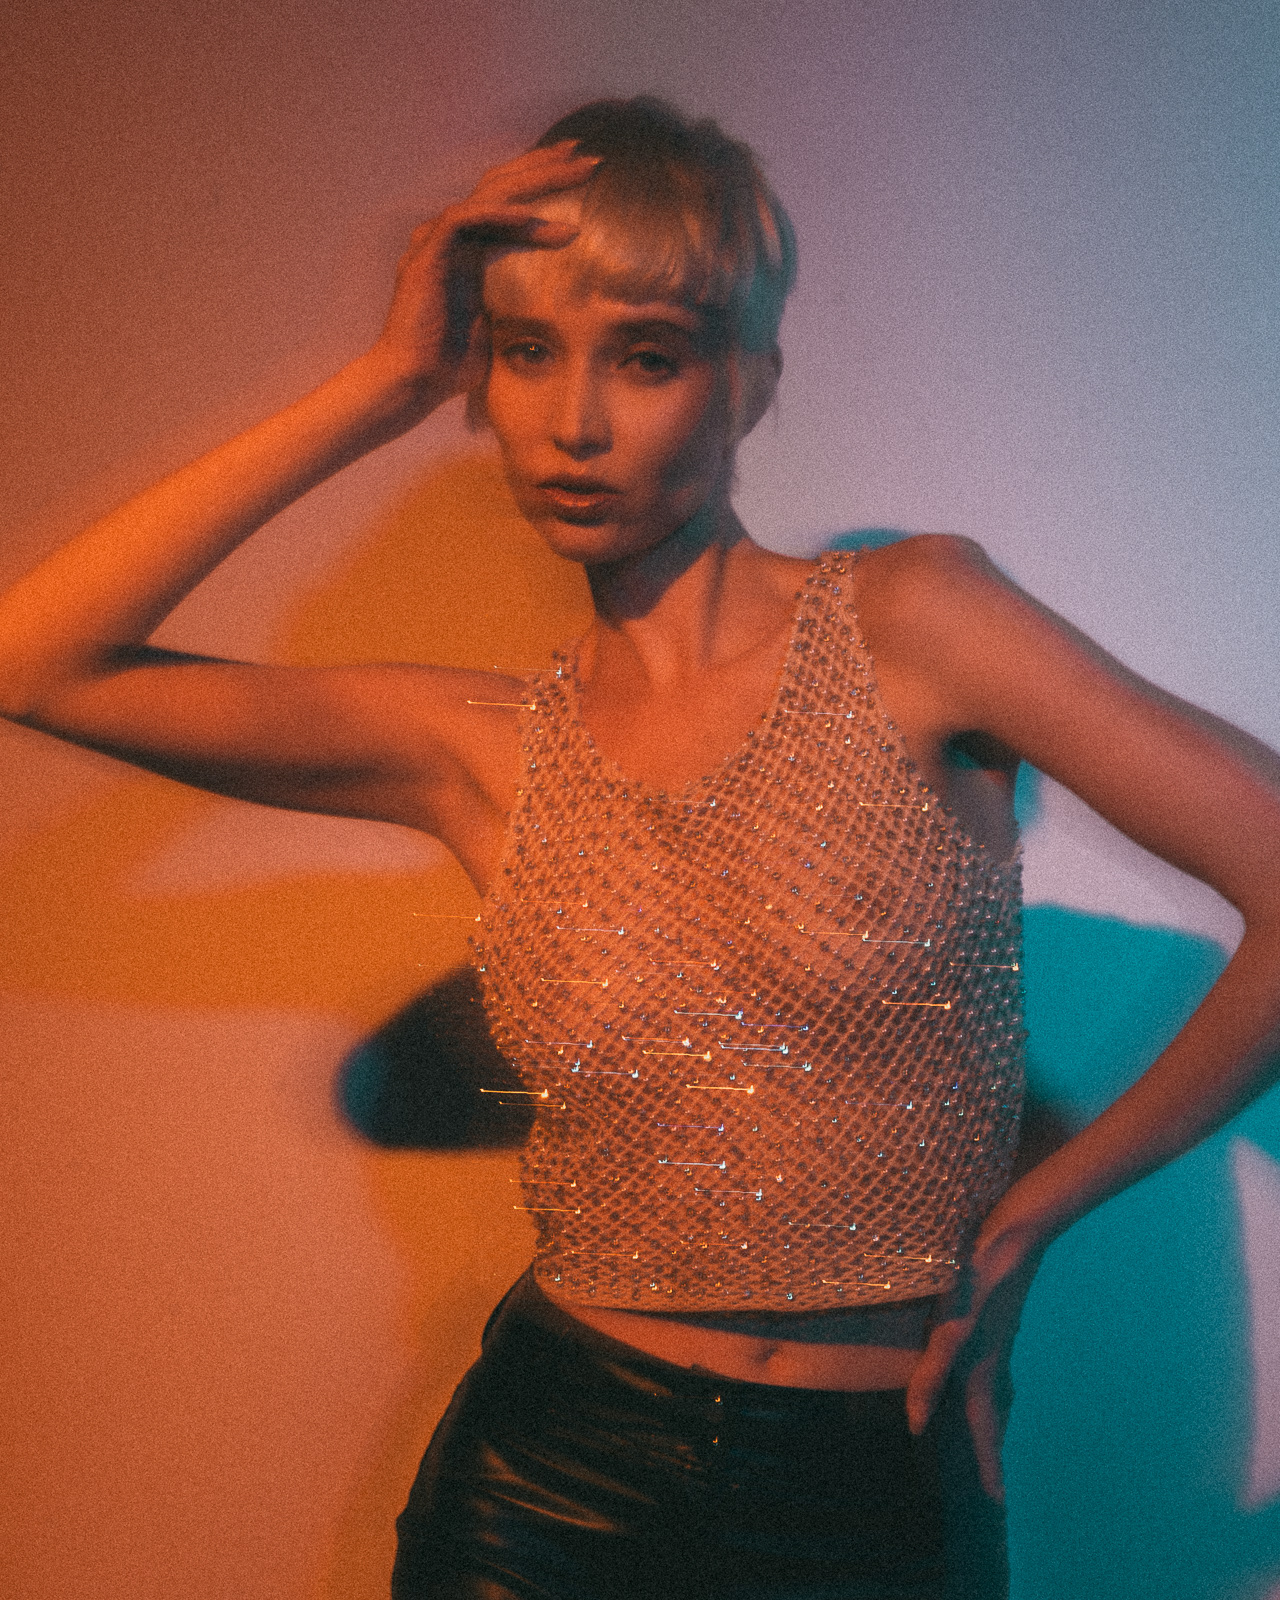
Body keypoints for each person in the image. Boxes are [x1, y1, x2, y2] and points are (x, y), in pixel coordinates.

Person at [1, 95, 1277, 1600]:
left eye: (649, 357)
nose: (575, 422)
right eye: (525, 352)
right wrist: (384, 380)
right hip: (550, 1478)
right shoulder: (481, 748)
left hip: (879, 1486)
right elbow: (37, 660)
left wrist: (1029, 1222)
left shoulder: (916, 625)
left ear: (749, 384)